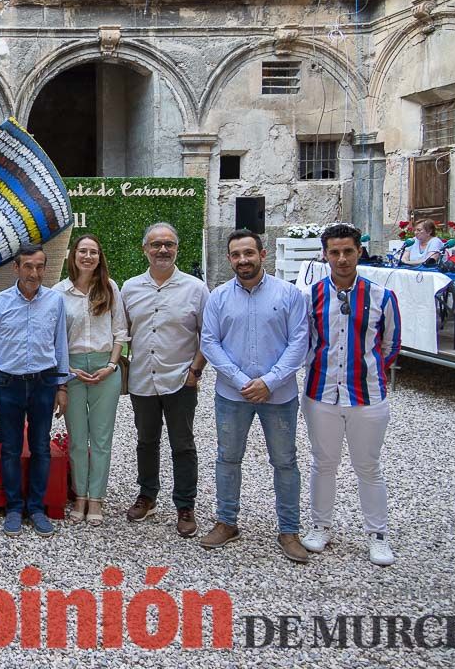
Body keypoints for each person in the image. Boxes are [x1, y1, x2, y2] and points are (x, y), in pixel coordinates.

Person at [198, 230, 310, 562]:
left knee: (285, 462)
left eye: (249, 253)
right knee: (228, 459)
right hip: (232, 395)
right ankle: (226, 522)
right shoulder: (218, 297)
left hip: (279, 395)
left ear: (263, 254)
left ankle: (289, 530)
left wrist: (270, 381)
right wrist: (241, 380)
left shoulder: (289, 294)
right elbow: (209, 342)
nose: (242, 260)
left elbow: (299, 342)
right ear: (229, 258)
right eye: (236, 254)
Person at [301, 223, 401, 566]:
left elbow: (390, 345)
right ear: (325, 255)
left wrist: (367, 370)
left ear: (359, 252)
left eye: (348, 251)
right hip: (321, 394)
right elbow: (306, 341)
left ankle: (378, 535)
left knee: (368, 466)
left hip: (367, 396)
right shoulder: (311, 296)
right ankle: (320, 526)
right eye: (334, 252)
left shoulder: (381, 296)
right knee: (322, 463)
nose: (341, 259)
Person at [121, 222, 209, 538]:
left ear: (177, 249)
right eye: (156, 244)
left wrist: (195, 371)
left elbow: (208, 336)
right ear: (145, 249)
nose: (162, 250)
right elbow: (120, 332)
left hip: (180, 380)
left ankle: (185, 505)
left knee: (183, 444)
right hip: (143, 378)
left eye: (168, 244)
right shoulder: (129, 288)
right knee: (146, 441)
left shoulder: (195, 289)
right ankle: (148, 495)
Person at [0, 243, 70, 539]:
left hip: (44, 382)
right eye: (28, 266)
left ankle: (38, 508)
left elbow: (61, 346)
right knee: (10, 448)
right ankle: (14, 508)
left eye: (40, 266)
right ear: (16, 268)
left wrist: (62, 385)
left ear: (45, 267)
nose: (34, 272)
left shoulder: (55, 302)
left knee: (41, 447)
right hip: (8, 384)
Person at [52, 234, 128, 525]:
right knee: (77, 438)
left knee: (101, 439)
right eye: (82, 251)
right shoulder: (59, 292)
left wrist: (111, 366)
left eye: (93, 252)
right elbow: (55, 338)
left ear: (100, 257)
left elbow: (120, 331)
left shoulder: (109, 288)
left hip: (104, 368)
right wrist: (67, 370)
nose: (87, 256)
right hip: (72, 370)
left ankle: (96, 498)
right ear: (73, 256)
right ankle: (79, 495)